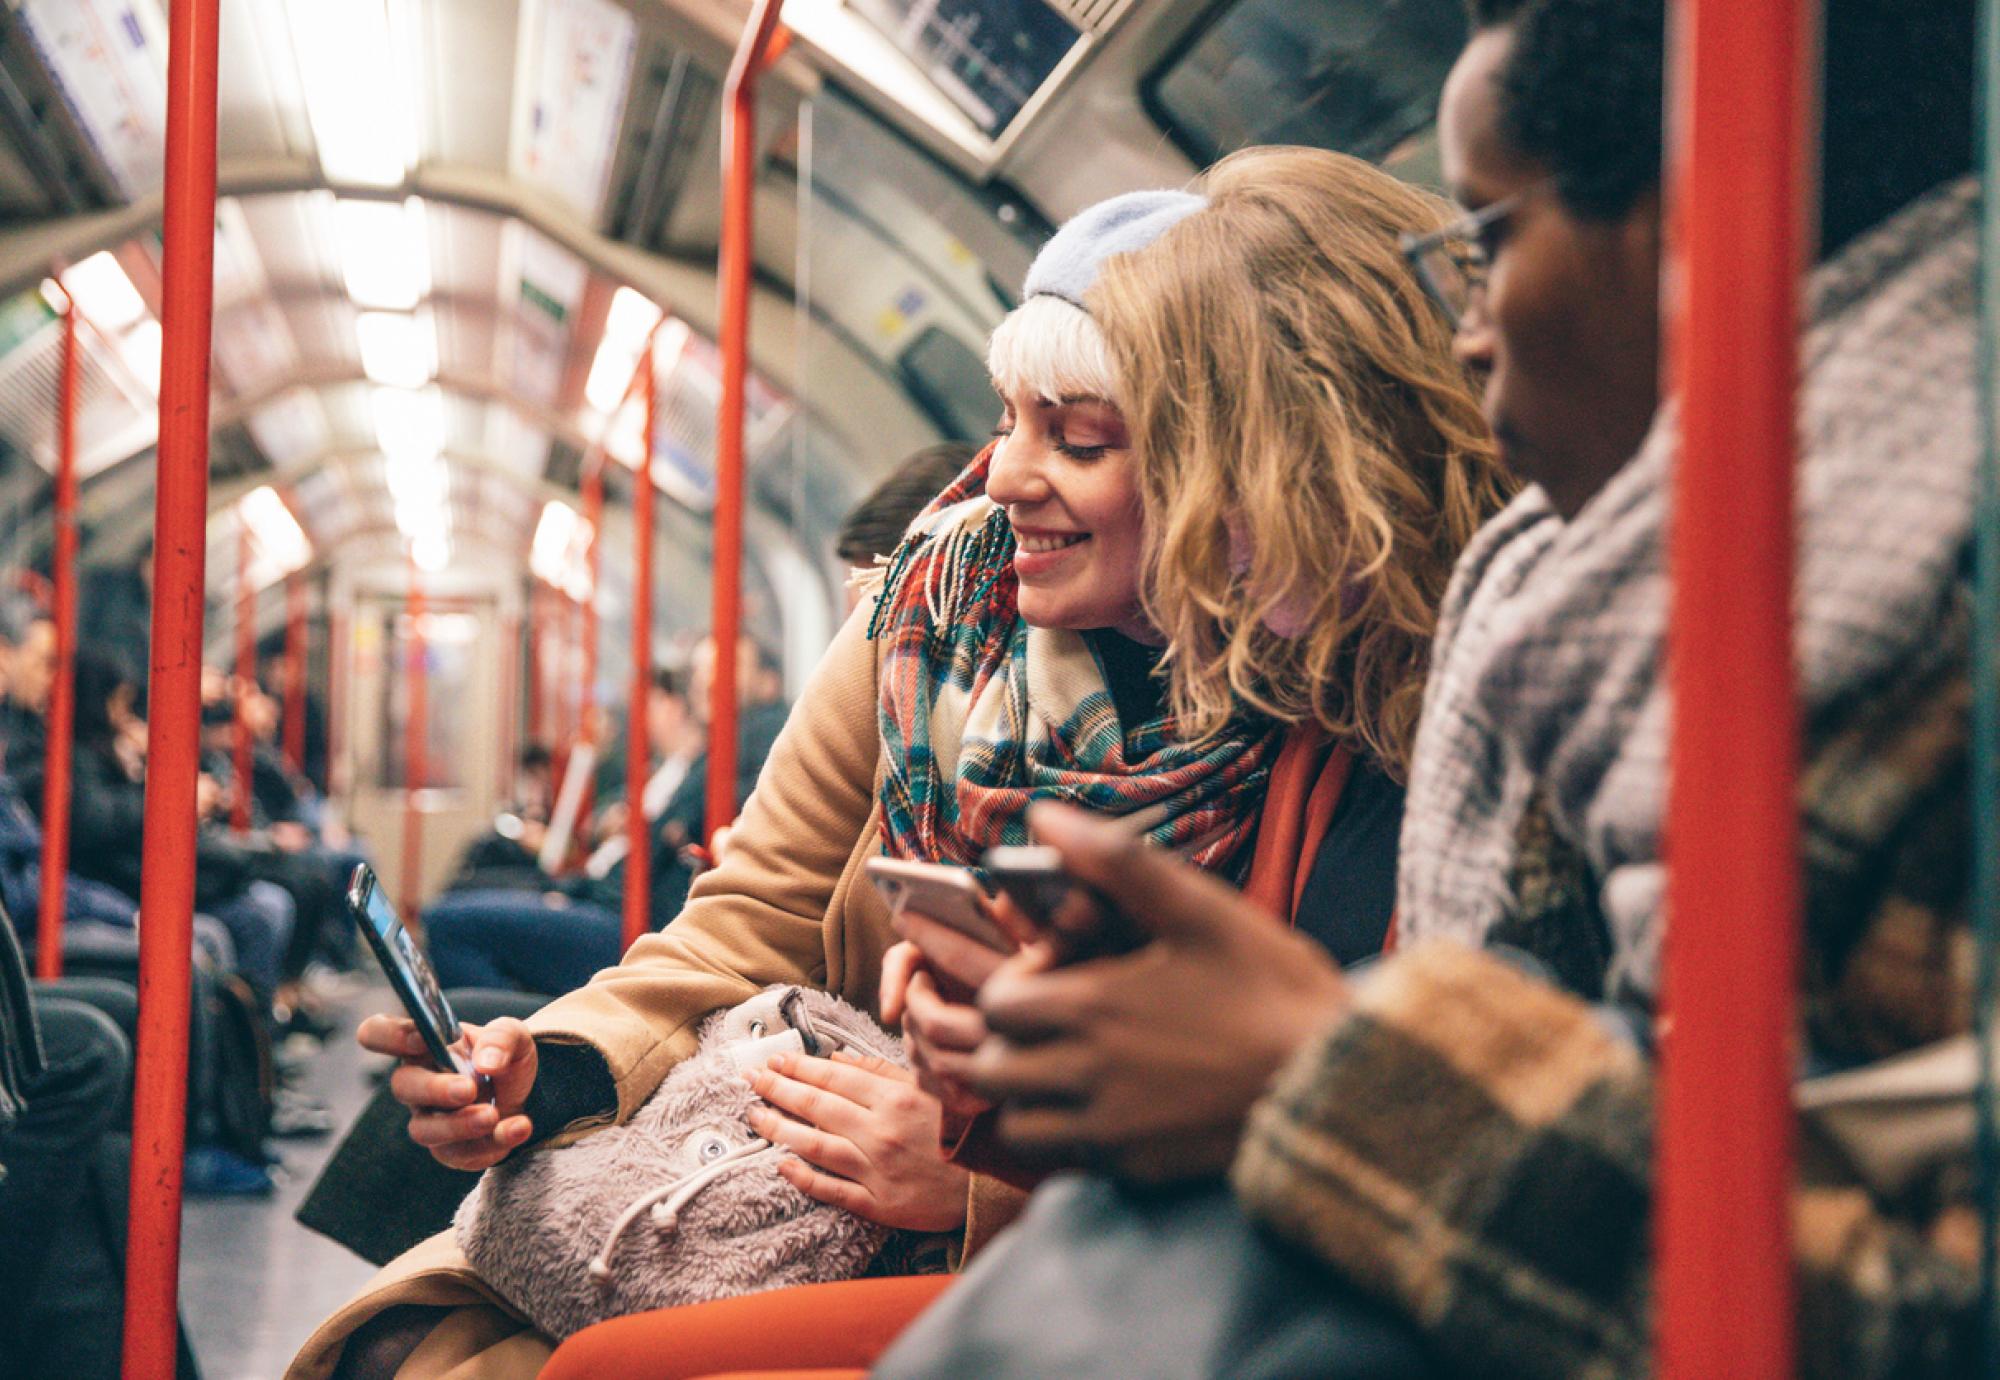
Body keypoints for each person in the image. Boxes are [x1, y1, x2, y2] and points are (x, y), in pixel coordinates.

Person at [291, 148, 1509, 1380]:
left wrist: (981, 1181)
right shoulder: (935, 607)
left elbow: (1346, 1131)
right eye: (1004, 422)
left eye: (1078, 441)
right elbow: (747, 920)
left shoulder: (1356, 724)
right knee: (406, 1346)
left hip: (1056, 1246)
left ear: (1225, 472)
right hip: (815, 1181)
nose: (1008, 476)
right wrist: (545, 1070)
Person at [900, 3, 1983, 1378]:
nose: (1467, 330)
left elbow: (1931, 1319)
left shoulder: (1924, 674)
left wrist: (1324, 1073)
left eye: (1486, 243)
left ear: (1678, 228)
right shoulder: (1537, 633)